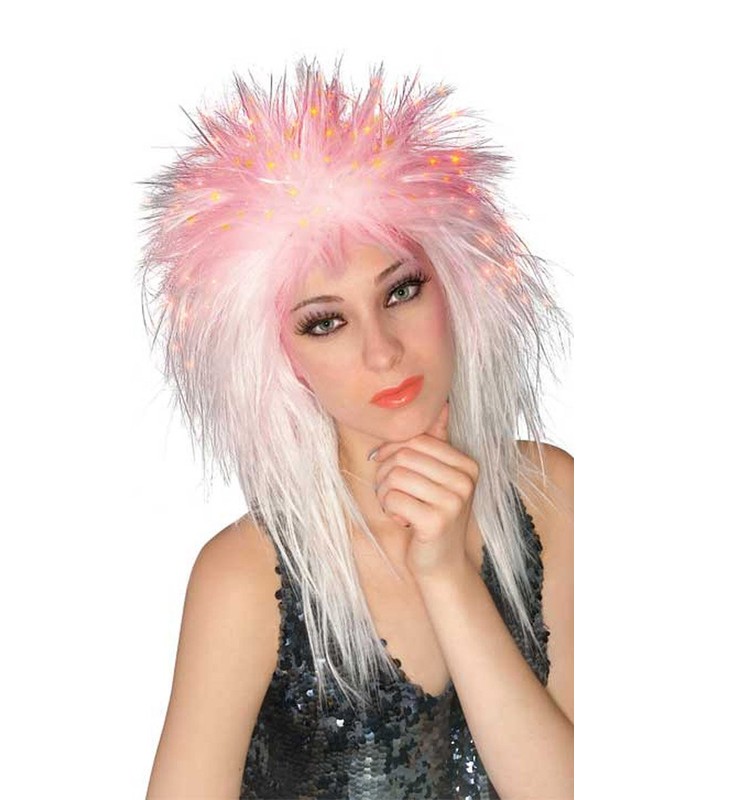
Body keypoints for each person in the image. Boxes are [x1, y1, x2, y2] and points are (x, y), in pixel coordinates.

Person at [139, 58, 573, 799]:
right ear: (282, 358)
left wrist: (446, 573)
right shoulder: (245, 581)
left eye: (401, 290)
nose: (382, 351)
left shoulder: (550, 491)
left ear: (452, 284)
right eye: (325, 322)